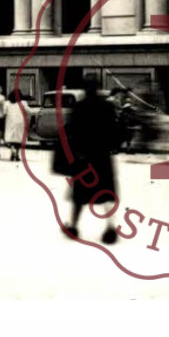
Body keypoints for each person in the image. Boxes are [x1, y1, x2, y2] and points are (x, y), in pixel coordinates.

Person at [59, 76, 119, 244]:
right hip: (102, 158)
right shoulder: (107, 107)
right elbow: (114, 130)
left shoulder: (79, 107)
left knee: (79, 196)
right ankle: (110, 228)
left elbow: (72, 132)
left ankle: (73, 226)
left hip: (84, 158)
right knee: (106, 194)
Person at [2, 89, 28, 161]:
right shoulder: (23, 103)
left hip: (10, 122)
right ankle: (17, 153)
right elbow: (28, 110)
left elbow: (4, 113)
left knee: (11, 138)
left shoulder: (7, 103)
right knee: (19, 139)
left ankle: (12, 150)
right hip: (20, 122)